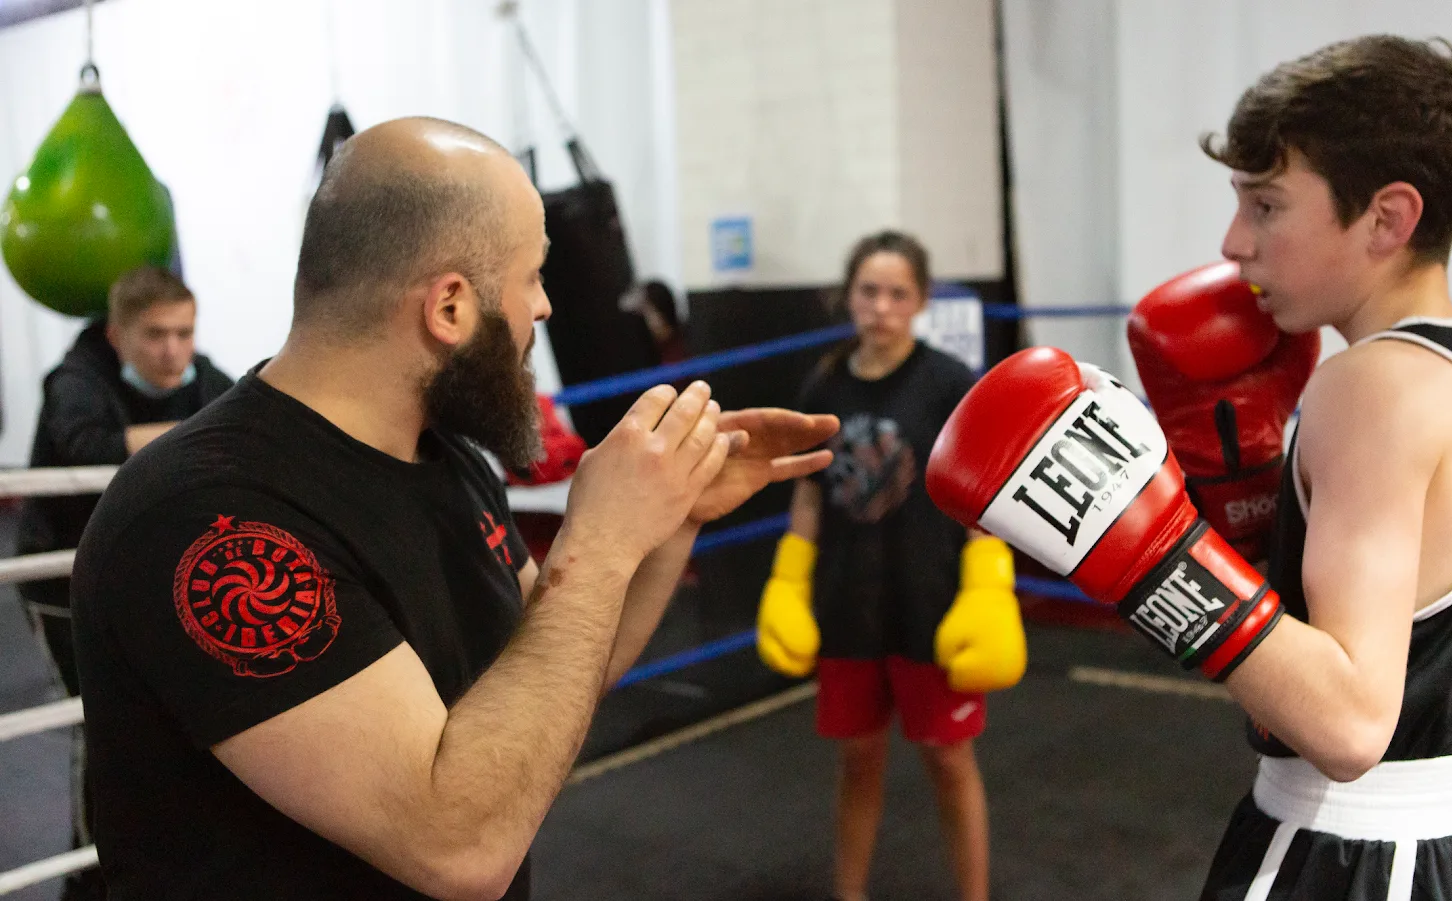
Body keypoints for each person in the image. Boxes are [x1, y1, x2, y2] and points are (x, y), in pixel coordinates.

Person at [68, 117, 838, 900]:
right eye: (533, 275)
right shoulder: (210, 522)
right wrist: (598, 540)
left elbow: (563, 660)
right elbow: (457, 845)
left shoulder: (447, 457)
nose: (544, 307)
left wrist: (669, 519)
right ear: (449, 307)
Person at [923, 36, 1452, 901]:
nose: (1234, 242)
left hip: (1352, 855)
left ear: (1387, 218)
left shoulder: (1368, 387)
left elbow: (1350, 722)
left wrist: (1145, 549)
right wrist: (1245, 497)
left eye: (1266, 205)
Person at [756, 230, 1026, 901]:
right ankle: (849, 894)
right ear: (849, 296)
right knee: (858, 757)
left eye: (897, 293)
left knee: (948, 757)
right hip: (848, 600)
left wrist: (988, 586)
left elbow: (981, 492)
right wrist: (788, 580)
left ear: (921, 301)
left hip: (930, 599)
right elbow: (809, 493)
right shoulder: (824, 382)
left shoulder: (945, 382)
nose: (881, 306)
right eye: (869, 291)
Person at [16, 264, 232, 900]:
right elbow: (87, 444)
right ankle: (91, 870)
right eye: (155, 335)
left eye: (184, 333)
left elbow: (252, 417)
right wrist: (198, 436)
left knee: (166, 713)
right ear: (117, 335)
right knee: (97, 714)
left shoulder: (203, 374)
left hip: (145, 573)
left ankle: (164, 847)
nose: (173, 351)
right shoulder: (76, 377)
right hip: (62, 576)